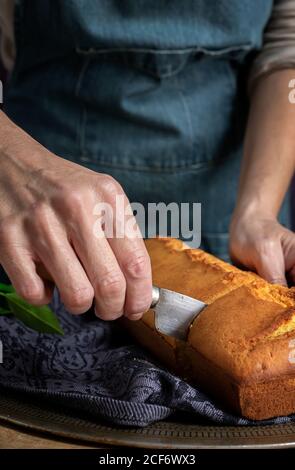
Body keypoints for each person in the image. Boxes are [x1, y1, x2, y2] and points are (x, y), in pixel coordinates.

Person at [0, 0, 295, 323]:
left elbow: (288, 41)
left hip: (231, 202)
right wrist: (12, 162)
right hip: (38, 219)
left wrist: (258, 212)